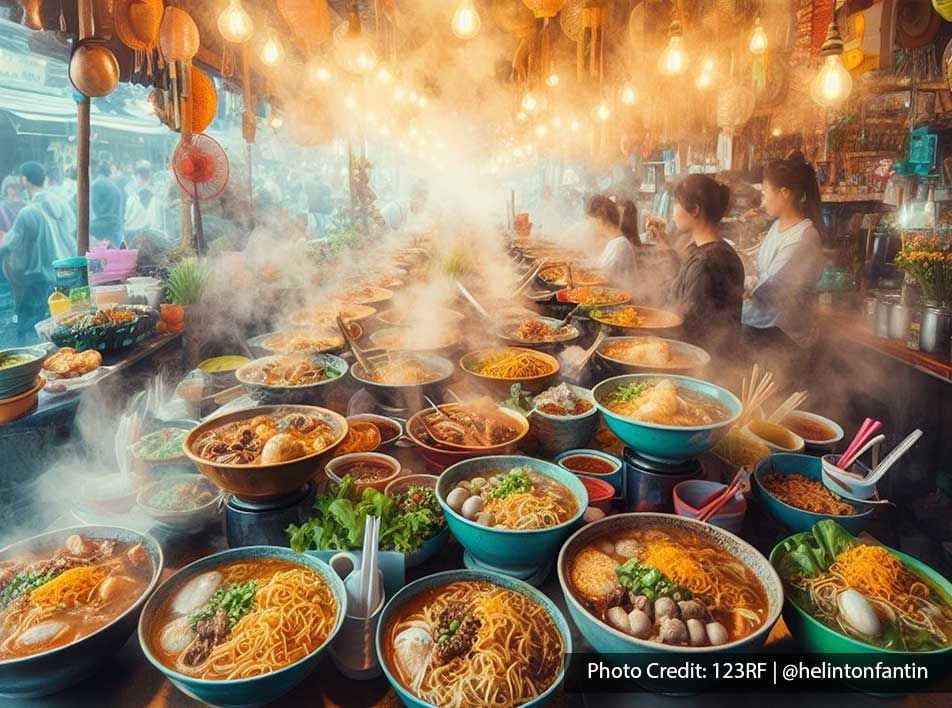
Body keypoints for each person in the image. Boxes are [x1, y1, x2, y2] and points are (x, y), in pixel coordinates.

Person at [742, 151, 825, 376]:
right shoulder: (776, 227)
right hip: (762, 328)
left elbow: (770, 287)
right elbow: (760, 267)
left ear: (785, 193)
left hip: (784, 338)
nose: (762, 200)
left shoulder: (804, 237)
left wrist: (739, 282)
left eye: (765, 193)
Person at [652, 174, 745, 359]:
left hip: (702, 364)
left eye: (675, 205)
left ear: (695, 209)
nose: (672, 213)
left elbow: (687, 324)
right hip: (716, 359)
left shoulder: (707, 262)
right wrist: (665, 247)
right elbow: (681, 285)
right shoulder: (714, 250)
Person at [0, 162, 76, 343]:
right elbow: (72, 228)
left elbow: (11, 243)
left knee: (30, 329)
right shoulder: (62, 204)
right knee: (65, 326)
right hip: (67, 272)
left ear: (25, 181)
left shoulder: (29, 212)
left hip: (40, 279)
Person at [586, 194, 639, 291]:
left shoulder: (620, 245)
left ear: (599, 219)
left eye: (590, 221)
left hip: (621, 301)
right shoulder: (614, 242)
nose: (590, 226)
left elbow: (600, 276)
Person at [124, 160, 166, 237]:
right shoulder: (157, 196)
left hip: (136, 236)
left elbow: (126, 218)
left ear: (137, 176)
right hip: (153, 236)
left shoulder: (133, 198)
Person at [89, 160, 124, 246]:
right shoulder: (114, 185)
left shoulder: (96, 184)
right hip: (116, 227)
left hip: (103, 228)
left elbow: (94, 208)